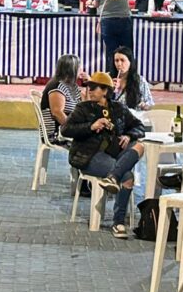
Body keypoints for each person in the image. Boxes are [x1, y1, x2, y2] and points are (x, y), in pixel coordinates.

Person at [62, 71, 146, 239]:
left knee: (140, 146)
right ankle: (118, 222)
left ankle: (113, 176)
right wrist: (91, 127)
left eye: (94, 87)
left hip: (113, 153)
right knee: (127, 177)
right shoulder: (83, 108)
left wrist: (128, 135)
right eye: (89, 87)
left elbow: (139, 126)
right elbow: (66, 129)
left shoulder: (119, 108)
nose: (90, 90)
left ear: (105, 91)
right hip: (89, 155)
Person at [91, 0, 132, 74]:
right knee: (127, 51)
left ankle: (112, 75)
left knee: (111, 52)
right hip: (125, 21)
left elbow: (95, 5)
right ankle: (129, 75)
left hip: (108, 22)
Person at [40, 53, 86, 144]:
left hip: (67, 128)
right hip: (57, 133)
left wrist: (88, 84)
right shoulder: (57, 86)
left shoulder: (72, 86)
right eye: (79, 67)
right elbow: (57, 113)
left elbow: (85, 106)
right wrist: (74, 129)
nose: (81, 70)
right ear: (72, 69)